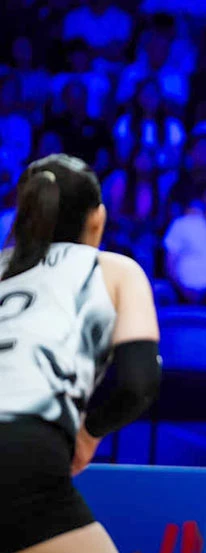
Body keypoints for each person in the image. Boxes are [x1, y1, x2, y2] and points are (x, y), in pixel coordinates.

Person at [0, 154, 161, 553]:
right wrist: (89, 436)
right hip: (24, 443)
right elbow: (138, 381)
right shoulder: (114, 269)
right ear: (97, 220)